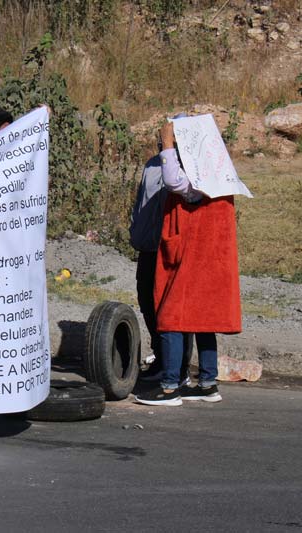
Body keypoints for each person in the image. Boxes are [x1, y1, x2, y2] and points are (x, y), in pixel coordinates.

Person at [134, 119, 242, 407]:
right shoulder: (221, 173)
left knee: (171, 318)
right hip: (212, 259)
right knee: (204, 320)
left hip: (192, 257)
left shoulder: (198, 178)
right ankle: (207, 384)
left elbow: (173, 180)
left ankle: (170, 387)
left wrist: (168, 142)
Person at [130, 122, 192, 386]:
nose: (163, 141)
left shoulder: (184, 168)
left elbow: (176, 185)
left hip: (170, 249)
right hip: (147, 246)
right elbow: (142, 200)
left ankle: (178, 368)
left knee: (171, 308)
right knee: (147, 301)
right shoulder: (151, 165)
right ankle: (161, 358)